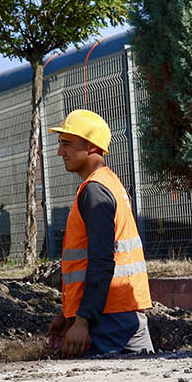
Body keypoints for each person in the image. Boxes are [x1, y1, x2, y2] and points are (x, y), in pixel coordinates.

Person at [44, 109, 155, 356]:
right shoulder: (107, 183)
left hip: (108, 319)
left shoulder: (95, 191)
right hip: (121, 311)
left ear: (92, 147)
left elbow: (102, 260)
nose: (60, 152)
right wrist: (67, 314)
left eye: (67, 144)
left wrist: (82, 320)